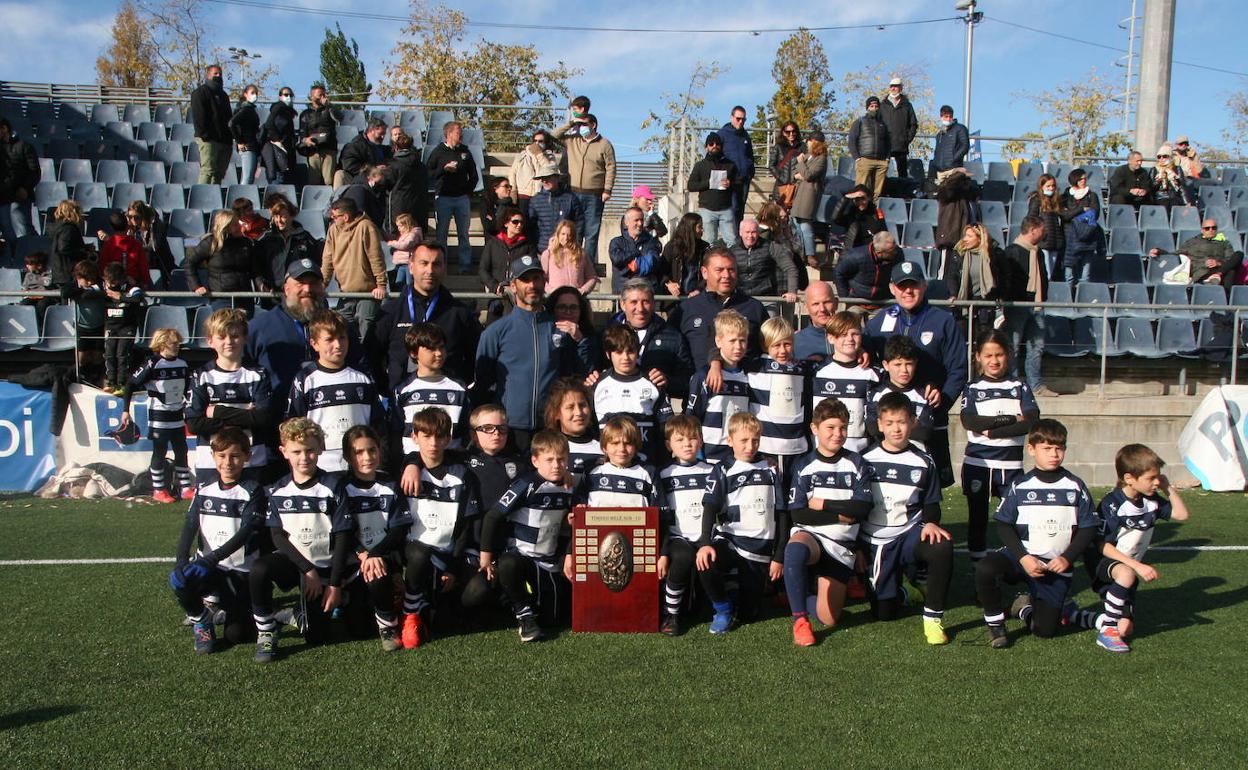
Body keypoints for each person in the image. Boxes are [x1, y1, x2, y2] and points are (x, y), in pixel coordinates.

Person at [974, 419, 1096, 648]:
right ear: (1031, 449)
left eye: (1059, 448)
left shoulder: (1075, 486)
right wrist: (1023, 557)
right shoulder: (1020, 485)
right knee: (986, 568)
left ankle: (1023, 608)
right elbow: (1003, 525)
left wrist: (1067, 558)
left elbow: (1089, 527)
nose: (1054, 454)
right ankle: (995, 625)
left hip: (1054, 566)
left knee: (1045, 630)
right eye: (1047, 448)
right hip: (1023, 558)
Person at [1069, 443, 1190, 653]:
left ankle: (1072, 614)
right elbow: (1101, 545)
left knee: (1125, 628)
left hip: (1127, 566)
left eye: (1158, 477)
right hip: (1103, 561)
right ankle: (1107, 633)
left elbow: (1181, 515)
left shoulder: (1151, 501)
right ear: (1129, 479)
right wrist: (1137, 566)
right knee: (1126, 575)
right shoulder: (1112, 503)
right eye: (1151, 478)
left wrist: (1167, 488)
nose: (1156, 482)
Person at [249, 418, 352, 663]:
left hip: (325, 567)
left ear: (321, 449)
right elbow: (277, 537)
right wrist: (307, 569)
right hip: (295, 565)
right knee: (259, 570)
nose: (304, 457)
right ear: (284, 452)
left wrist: (335, 584)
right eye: (296, 451)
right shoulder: (277, 490)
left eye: (310, 450)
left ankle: (294, 613)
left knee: (318, 637)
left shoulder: (333, 486)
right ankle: (266, 630)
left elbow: (343, 537)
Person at [863, 261, 968, 488]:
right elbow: (868, 361)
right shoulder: (879, 322)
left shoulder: (943, 321)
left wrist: (941, 402)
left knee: (932, 483)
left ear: (924, 286)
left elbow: (958, 369)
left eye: (913, 285)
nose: (908, 291)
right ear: (892, 288)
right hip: (891, 424)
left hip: (928, 422)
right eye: (902, 286)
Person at [860, 392, 954, 644]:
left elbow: (931, 504)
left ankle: (933, 620)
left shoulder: (924, 462)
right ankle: (903, 586)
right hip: (875, 539)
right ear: (879, 424)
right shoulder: (864, 460)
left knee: (941, 546)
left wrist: (932, 522)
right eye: (889, 423)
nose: (896, 429)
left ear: (913, 422)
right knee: (883, 614)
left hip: (909, 532)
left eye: (901, 422)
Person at [784, 397, 874, 646]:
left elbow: (862, 507)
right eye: (831, 428)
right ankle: (800, 620)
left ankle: (805, 595)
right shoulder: (803, 465)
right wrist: (838, 516)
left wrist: (824, 504)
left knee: (830, 618)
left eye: (843, 427)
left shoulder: (857, 463)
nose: (838, 434)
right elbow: (799, 514)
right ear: (815, 429)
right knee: (795, 549)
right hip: (811, 536)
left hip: (841, 546)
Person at [169, 427, 265, 654]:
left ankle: (266, 614)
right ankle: (201, 619)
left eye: (235, 456)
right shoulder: (204, 489)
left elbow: (246, 532)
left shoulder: (254, 491)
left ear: (247, 457)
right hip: (210, 567)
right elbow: (190, 526)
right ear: (213, 457)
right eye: (222, 456)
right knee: (181, 580)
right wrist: (181, 561)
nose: (228, 462)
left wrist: (211, 559)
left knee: (237, 635)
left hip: (240, 571)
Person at [479, 430, 580, 642]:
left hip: (547, 560)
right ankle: (522, 612)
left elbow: (573, 523)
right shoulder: (525, 484)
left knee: (554, 619)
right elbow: (493, 517)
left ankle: (521, 600)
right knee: (508, 564)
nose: (556, 465)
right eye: (549, 459)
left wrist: (569, 531)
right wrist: (486, 556)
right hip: (520, 556)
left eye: (561, 459)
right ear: (535, 460)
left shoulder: (571, 486)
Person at [472, 255, 578, 451]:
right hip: (508, 430)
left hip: (549, 428)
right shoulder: (496, 331)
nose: (532, 285)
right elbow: (482, 384)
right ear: (513, 285)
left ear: (544, 281)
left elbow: (571, 375)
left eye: (537, 278)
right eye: (525, 279)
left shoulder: (559, 328)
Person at [696, 411, 787, 632]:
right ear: (730, 441)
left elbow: (783, 514)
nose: (750, 446)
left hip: (760, 548)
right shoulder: (723, 469)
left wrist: (779, 556)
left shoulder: (772, 469)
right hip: (731, 539)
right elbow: (710, 507)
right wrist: (705, 542)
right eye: (743, 440)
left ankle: (738, 595)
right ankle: (723, 609)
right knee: (706, 561)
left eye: (755, 440)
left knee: (749, 615)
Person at [400, 407, 481, 648]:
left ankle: (424, 607)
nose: (433, 442)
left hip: (446, 554)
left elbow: (466, 526)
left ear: (448, 438)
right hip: (413, 553)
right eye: (426, 435)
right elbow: (394, 523)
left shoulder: (462, 474)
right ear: (414, 437)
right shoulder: (405, 473)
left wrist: (454, 568)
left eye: (439, 436)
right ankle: (409, 612)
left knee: (448, 621)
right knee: (419, 551)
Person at [959, 331, 1040, 563]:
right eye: (988, 355)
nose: (994, 361)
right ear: (978, 357)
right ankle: (977, 568)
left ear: (1009, 355)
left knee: (1015, 519)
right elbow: (971, 422)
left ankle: (1015, 565)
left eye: (999, 355)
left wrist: (992, 431)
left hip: (1011, 465)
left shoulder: (1019, 387)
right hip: (978, 464)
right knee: (978, 519)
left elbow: (1032, 422)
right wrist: (1013, 418)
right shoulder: (972, 387)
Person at [246, 259, 363, 412]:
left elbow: (358, 366)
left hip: (330, 416)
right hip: (276, 421)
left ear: (322, 288)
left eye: (314, 283)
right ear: (286, 289)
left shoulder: (339, 327)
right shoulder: (260, 327)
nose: (308, 289)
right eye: (300, 283)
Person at [369, 240, 480, 393]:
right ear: (411, 266)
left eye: (436, 264)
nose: (430, 270)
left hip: (447, 402)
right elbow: (370, 356)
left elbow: (477, 358)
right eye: (424, 263)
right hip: (403, 405)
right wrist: (387, 389)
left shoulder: (460, 313)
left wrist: (459, 386)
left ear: (444, 269)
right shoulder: (391, 312)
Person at [336, 425, 410, 653]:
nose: (367, 457)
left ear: (380, 451)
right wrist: (363, 553)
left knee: (377, 574)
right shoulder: (340, 488)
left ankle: (388, 626)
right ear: (348, 456)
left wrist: (376, 554)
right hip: (354, 559)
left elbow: (399, 529)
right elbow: (342, 531)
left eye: (372, 450)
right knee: (358, 630)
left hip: (383, 556)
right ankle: (354, 598)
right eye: (358, 452)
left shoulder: (389, 484)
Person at [286, 309, 384, 473]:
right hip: (321, 467)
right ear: (314, 344)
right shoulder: (305, 379)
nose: (338, 345)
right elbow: (293, 428)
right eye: (329, 340)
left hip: (360, 465)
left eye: (342, 338)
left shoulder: (362, 378)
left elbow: (378, 424)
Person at [185, 308, 274, 483]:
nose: (229, 342)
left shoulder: (258, 374)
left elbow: (263, 419)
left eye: (235, 336)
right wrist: (246, 416)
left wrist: (218, 411)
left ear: (245, 338)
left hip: (252, 461)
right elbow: (194, 424)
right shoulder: (201, 376)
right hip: (211, 463)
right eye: (222, 337)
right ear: (210, 341)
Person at [122, 327, 194, 502]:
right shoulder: (152, 363)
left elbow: (188, 389)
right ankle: (159, 489)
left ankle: (185, 487)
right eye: (173, 343)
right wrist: (126, 410)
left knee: (181, 450)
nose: (177, 346)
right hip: (159, 417)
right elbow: (130, 384)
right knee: (159, 451)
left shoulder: (182, 364)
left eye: (178, 343)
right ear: (161, 344)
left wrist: (188, 405)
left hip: (177, 415)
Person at [656, 414, 712, 636]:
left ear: (700, 440)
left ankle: (718, 606)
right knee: (683, 557)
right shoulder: (663, 474)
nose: (687, 444)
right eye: (680, 440)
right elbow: (662, 516)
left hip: (706, 536)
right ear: (669, 445)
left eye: (692, 438)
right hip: (677, 536)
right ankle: (671, 613)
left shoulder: (712, 471)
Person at [667, 247, 768, 368]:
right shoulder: (686, 310)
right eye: (719, 270)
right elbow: (670, 350)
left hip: (744, 382)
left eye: (731, 270)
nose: (726, 275)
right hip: (698, 382)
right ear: (704, 272)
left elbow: (769, 349)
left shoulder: (754, 308)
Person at [392, 323, 470, 470]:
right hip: (413, 467)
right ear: (414, 353)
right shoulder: (403, 390)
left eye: (441, 347)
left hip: (452, 465)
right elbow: (397, 432)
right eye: (431, 349)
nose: (439, 353)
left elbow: (465, 430)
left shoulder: (458, 388)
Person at [592, 325, 674, 464]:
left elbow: (666, 426)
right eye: (618, 352)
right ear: (608, 354)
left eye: (630, 351)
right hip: (607, 466)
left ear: (638, 352)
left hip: (646, 464)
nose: (625, 357)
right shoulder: (597, 384)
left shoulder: (653, 382)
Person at [601, 278, 694, 399]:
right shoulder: (606, 334)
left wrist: (667, 382)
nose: (640, 308)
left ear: (654, 303)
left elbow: (688, 381)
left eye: (645, 302)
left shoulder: (673, 336)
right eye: (633, 302)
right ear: (623, 304)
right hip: (614, 410)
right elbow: (595, 370)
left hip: (653, 413)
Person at [684, 310, 753, 464]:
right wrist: (698, 454)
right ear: (718, 341)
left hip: (739, 454)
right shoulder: (704, 376)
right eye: (732, 341)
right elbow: (692, 417)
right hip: (710, 454)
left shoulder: (749, 374)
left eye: (742, 340)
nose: (738, 346)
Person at [1000, 216, 1055, 395]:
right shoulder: (1012, 251)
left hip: (1037, 305)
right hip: (1018, 304)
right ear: (1033, 230)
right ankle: (1013, 383)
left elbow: (1043, 276)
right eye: (1041, 229)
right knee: (1013, 345)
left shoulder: (1038, 252)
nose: (1044, 232)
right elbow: (1007, 278)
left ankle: (1035, 385)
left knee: (1037, 346)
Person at [744, 316, 810, 467]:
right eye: (776, 345)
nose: (782, 350)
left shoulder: (801, 367)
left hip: (796, 447)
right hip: (765, 447)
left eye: (787, 344)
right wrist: (714, 360)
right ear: (765, 344)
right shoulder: (754, 366)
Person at [811, 310, 879, 453]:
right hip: (823, 453)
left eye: (854, 334)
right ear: (830, 338)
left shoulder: (872, 374)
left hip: (860, 452)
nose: (849, 339)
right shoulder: (816, 372)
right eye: (843, 334)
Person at [552, 113, 615, 262]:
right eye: (579, 125)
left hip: (594, 195)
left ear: (593, 125)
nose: (581, 128)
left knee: (591, 233)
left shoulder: (605, 144)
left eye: (584, 124)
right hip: (572, 193)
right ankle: (572, 262)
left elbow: (611, 167)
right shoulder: (572, 141)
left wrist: (607, 189)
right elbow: (554, 135)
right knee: (574, 231)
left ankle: (587, 264)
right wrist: (572, 123)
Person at [322, 197, 387, 340]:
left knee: (366, 330)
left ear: (345, 217)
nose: (332, 219)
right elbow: (327, 259)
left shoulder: (366, 227)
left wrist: (381, 284)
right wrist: (323, 283)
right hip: (345, 293)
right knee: (341, 329)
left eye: (334, 216)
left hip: (367, 293)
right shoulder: (333, 230)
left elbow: (376, 258)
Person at [186, 210, 268, 314]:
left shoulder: (247, 243)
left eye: (238, 223)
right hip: (221, 298)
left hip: (244, 297)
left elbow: (255, 270)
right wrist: (196, 286)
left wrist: (260, 284)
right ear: (225, 227)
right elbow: (190, 263)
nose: (240, 227)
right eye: (235, 224)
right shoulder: (211, 243)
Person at [864, 334, 934, 448]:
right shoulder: (876, 394)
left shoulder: (923, 395)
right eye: (897, 364)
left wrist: (888, 425)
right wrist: (912, 424)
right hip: (883, 457)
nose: (904, 370)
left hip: (914, 457)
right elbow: (873, 428)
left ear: (915, 363)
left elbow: (925, 432)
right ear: (886, 365)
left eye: (909, 364)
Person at [426, 121, 478, 273]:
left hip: (462, 199)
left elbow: (474, 176)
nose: (461, 135)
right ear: (448, 134)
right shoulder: (438, 151)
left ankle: (465, 265)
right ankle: (442, 266)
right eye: (457, 132)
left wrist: (467, 191)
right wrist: (444, 169)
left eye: (461, 132)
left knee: (464, 234)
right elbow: (428, 174)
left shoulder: (465, 152)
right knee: (441, 235)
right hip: (443, 198)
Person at [585, 416, 659, 508]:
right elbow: (578, 508)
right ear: (604, 447)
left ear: (636, 446)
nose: (622, 449)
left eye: (628, 443)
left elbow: (658, 512)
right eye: (615, 443)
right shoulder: (592, 473)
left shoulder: (648, 473)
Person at [1149, 217, 1242, 288]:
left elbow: (1230, 260)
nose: (1211, 230)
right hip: (1202, 271)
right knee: (1230, 272)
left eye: (1213, 228)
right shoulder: (1193, 242)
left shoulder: (1224, 243)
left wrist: (1218, 263)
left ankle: (1218, 277)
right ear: (1202, 230)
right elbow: (1176, 254)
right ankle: (1226, 299)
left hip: (1220, 269)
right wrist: (1159, 251)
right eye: (1207, 228)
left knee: (1239, 255)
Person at [950, 222, 1004, 334]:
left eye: (969, 236)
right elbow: (952, 276)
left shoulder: (994, 254)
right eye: (965, 235)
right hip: (964, 301)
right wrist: (953, 294)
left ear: (980, 239)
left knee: (983, 338)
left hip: (985, 303)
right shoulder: (958, 253)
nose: (965, 239)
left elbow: (1003, 276)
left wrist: (1001, 295)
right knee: (963, 336)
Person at [544, 377, 603, 479]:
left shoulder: (605, 447)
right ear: (556, 413)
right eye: (570, 407)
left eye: (582, 405)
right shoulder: (546, 448)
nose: (579, 413)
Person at [257, 198, 323, 289]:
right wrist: (261, 284)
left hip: (297, 292)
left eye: (282, 216)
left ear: (292, 216)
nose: (279, 220)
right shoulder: (267, 240)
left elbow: (316, 263)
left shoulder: (305, 238)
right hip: (273, 295)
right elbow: (257, 267)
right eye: (276, 217)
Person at [686, 132, 737, 247]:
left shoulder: (730, 165)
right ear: (706, 146)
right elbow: (691, 186)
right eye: (711, 143)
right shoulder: (700, 165)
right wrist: (708, 183)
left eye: (717, 144)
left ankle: (732, 264)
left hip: (726, 208)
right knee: (709, 243)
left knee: (732, 242)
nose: (714, 146)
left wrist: (730, 183)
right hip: (707, 209)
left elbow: (738, 183)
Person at [731, 218, 799, 304]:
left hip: (767, 298)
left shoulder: (771, 247)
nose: (750, 236)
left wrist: (792, 291)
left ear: (758, 232)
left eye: (753, 232)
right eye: (747, 232)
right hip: (741, 299)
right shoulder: (732, 251)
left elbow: (790, 268)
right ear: (740, 233)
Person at [100, 262, 143, 395]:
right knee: (109, 354)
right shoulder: (101, 287)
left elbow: (137, 298)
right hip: (110, 326)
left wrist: (121, 296)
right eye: (109, 282)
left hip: (127, 326)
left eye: (114, 282)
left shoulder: (130, 287)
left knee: (122, 354)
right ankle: (111, 381)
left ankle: (122, 383)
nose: (111, 285)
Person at [833, 229, 902, 311]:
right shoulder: (855, 256)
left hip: (883, 303)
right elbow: (838, 273)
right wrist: (845, 297)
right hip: (856, 303)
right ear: (879, 253)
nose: (895, 252)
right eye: (891, 251)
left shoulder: (898, 255)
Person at [60, 260, 106, 382]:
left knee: (98, 355)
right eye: (87, 279)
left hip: (98, 325)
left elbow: (101, 291)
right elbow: (65, 292)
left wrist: (88, 292)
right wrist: (81, 290)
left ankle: (97, 378)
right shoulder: (75, 286)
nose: (90, 282)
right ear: (78, 278)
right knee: (82, 356)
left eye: (92, 279)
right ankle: (82, 377)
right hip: (82, 326)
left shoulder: (100, 285)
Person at [0, 117, 40, 250]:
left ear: (4, 129)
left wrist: (25, 188)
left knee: (23, 229)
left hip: (19, 196)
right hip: (3, 197)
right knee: (7, 231)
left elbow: (34, 172)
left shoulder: (23, 146)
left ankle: (33, 258)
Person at [1061, 169, 1105, 289]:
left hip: (1087, 236)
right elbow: (1065, 216)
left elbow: (1094, 214)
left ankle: (1082, 298)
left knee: (1085, 275)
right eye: (1080, 178)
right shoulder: (1065, 196)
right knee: (1068, 273)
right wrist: (1081, 209)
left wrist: (1073, 214)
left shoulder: (1092, 195)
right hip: (1069, 236)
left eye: (1085, 178)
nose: (1083, 180)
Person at [789, 130, 827, 267]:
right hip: (799, 194)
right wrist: (800, 174)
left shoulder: (821, 159)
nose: (807, 143)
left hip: (810, 196)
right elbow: (795, 172)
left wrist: (801, 165)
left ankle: (810, 254)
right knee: (796, 223)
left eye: (809, 141)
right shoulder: (808, 156)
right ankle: (801, 254)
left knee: (805, 225)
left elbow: (810, 175)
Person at [190, 64, 232, 184]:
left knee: (219, 174)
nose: (218, 76)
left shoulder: (224, 96)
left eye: (220, 74)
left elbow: (228, 118)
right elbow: (199, 116)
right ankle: (202, 198)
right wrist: (205, 135)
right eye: (215, 74)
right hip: (208, 140)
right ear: (208, 75)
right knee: (208, 171)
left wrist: (229, 138)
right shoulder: (200, 93)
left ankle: (214, 197)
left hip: (223, 141)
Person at [509, 128, 560, 226]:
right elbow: (512, 173)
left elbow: (549, 170)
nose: (537, 143)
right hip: (523, 195)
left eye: (540, 141)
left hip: (540, 195)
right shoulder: (522, 155)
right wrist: (513, 191)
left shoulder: (549, 156)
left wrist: (539, 155)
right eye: (535, 141)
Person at [529, 164, 584, 254]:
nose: (544, 181)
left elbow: (579, 223)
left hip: (567, 250)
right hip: (543, 251)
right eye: (542, 178)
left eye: (548, 177)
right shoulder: (535, 200)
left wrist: (575, 244)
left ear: (557, 178)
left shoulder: (571, 198)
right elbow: (531, 227)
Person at [608, 206, 663, 292]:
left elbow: (654, 262)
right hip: (623, 294)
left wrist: (634, 264)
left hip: (646, 293)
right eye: (636, 220)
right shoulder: (617, 242)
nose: (640, 223)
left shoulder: (650, 242)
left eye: (641, 220)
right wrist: (637, 253)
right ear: (626, 222)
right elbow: (617, 260)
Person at [847, 96, 891, 203]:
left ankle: (874, 210)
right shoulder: (860, 122)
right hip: (865, 159)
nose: (874, 108)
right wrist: (857, 158)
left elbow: (888, 143)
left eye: (876, 106)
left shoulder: (883, 124)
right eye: (871, 106)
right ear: (867, 107)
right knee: (860, 189)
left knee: (877, 192)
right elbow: (852, 140)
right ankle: (857, 210)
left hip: (881, 161)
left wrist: (887, 158)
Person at [548, 285, 597, 376]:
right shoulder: (544, 334)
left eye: (573, 307)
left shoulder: (590, 337)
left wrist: (581, 340)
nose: (568, 312)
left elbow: (587, 371)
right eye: (562, 307)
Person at [386, 132, 428, 239]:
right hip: (418, 207)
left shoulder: (394, 165)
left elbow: (386, 184)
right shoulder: (421, 165)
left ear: (395, 147)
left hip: (398, 207)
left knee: (399, 240)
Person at [717, 106, 755, 224]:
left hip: (744, 180)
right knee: (731, 210)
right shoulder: (722, 134)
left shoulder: (746, 136)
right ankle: (731, 239)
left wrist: (750, 171)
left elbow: (750, 155)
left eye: (743, 119)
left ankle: (738, 238)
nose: (741, 121)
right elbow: (716, 156)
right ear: (731, 117)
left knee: (740, 210)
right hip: (730, 180)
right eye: (738, 118)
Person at [126, 201, 175, 288]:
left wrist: (134, 244)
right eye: (130, 217)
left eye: (136, 217)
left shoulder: (156, 225)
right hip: (144, 264)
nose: (133, 220)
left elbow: (154, 246)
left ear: (143, 216)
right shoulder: (132, 226)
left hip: (160, 263)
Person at [541, 219, 598, 295]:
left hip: (576, 299)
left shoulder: (581, 254)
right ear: (558, 234)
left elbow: (592, 277)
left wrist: (582, 291)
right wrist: (552, 291)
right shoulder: (548, 254)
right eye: (563, 234)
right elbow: (541, 279)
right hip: (555, 300)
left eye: (569, 235)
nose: (566, 238)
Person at [1025, 174, 1065, 280]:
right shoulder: (1036, 200)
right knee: (1045, 275)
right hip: (1044, 241)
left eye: (1053, 186)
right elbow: (1031, 219)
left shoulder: (1056, 201)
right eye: (1048, 186)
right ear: (1042, 186)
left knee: (1050, 274)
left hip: (1055, 242)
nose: (1051, 188)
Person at [96, 210, 149, 289]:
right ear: (127, 226)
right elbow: (143, 267)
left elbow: (103, 267)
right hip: (132, 285)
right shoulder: (136, 244)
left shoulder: (108, 245)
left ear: (112, 227)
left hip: (113, 285)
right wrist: (145, 282)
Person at [298, 84, 339, 186]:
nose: (322, 97)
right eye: (319, 95)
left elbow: (339, 118)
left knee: (328, 180)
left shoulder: (329, 110)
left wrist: (329, 106)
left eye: (324, 95)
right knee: (313, 181)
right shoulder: (305, 114)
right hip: (313, 150)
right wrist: (306, 140)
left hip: (329, 149)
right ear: (312, 96)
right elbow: (302, 133)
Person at [880, 77, 918, 180]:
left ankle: (902, 194)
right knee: (882, 172)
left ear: (900, 88)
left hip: (901, 145)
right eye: (891, 86)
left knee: (902, 174)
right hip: (885, 145)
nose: (893, 88)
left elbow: (913, 124)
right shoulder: (882, 105)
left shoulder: (907, 106)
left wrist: (906, 139)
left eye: (896, 86)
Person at [661, 213, 708, 296]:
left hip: (697, 299)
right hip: (674, 300)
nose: (702, 230)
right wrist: (669, 284)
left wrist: (699, 289)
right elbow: (661, 271)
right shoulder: (671, 247)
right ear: (690, 228)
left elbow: (708, 273)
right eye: (699, 227)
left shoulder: (705, 248)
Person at [831, 183, 887, 253]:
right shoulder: (851, 214)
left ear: (868, 198)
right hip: (853, 251)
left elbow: (884, 232)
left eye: (863, 199)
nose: (860, 202)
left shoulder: (876, 214)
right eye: (857, 199)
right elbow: (835, 218)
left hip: (872, 252)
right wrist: (846, 198)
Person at [793, 280, 839, 361]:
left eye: (827, 302)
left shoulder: (853, 339)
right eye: (816, 304)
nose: (822, 309)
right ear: (806, 307)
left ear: (836, 303)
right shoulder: (795, 342)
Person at [260, 86, 298, 184]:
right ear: (280, 97)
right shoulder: (279, 108)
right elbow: (269, 124)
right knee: (277, 182)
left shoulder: (287, 112)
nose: (288, 97)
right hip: (277, 152)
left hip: (285, 152)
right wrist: (277, 140)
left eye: (290, 95)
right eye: (286, 94)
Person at [338, 117, 391, 185]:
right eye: (380, 133)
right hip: (360, 181)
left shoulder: (383, 149)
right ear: (371, 131)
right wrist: (373, 170)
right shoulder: (355, 146)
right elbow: (349, 165)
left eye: (384, 134)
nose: (383, 137)